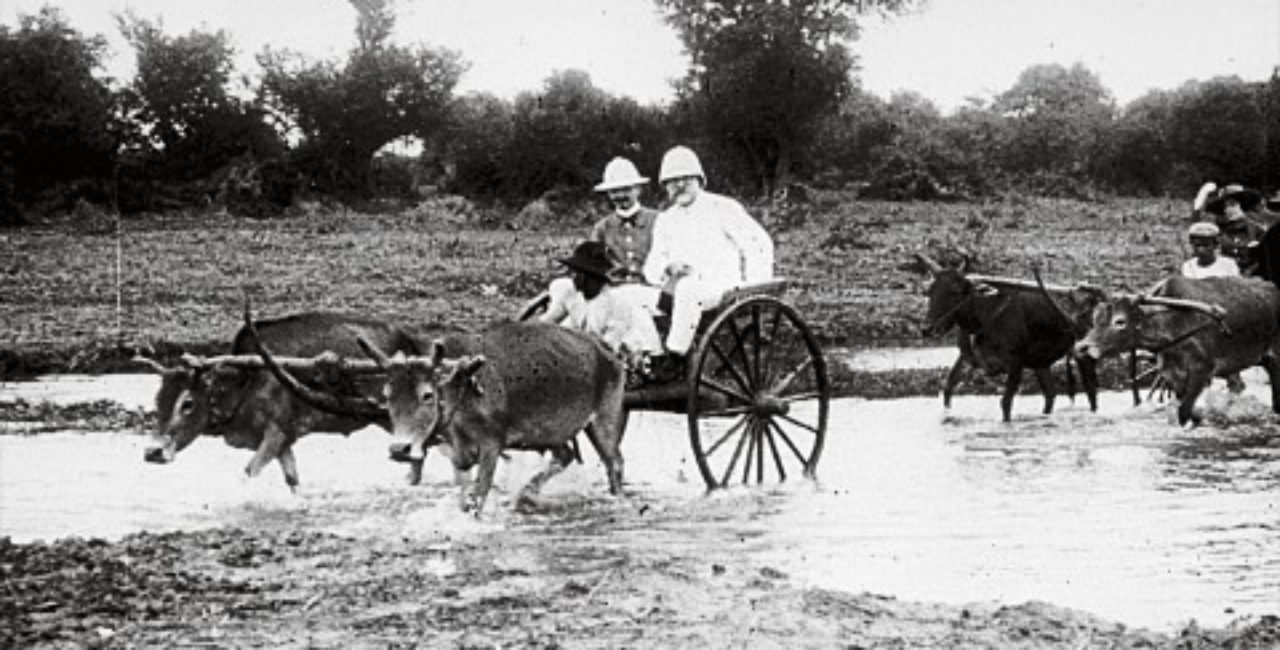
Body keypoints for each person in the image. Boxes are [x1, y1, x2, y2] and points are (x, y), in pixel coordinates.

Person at [643, 146, 774, 368]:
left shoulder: (723, 207)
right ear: (665, 186)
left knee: (688, 288)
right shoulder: (665, 219)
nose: (680, 185)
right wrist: (667, 267)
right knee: (630, 298)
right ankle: (651, 358)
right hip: (675, 291)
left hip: (720, 288)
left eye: (686, 178)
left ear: (700, 180)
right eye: (672, 181)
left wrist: (753, 287)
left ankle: (675, 356)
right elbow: (652, 266)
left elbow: (758, 245)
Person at [542, 157, 663, 329]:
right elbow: (590, 266)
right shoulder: (602, 227)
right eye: (614, 191)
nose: (620, 196)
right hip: (610, 293)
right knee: (563, 291)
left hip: (648, 292)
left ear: (638, 189)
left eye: (626, 189)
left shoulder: (658, 220)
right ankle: (548, 332)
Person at [540, 240, 663, 363]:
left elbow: (609, 345)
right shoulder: (573, 295)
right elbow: (548, 322)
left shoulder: (615, 302)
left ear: (587, 276)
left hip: (627, 354)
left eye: (576, 273)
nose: (572, 277)